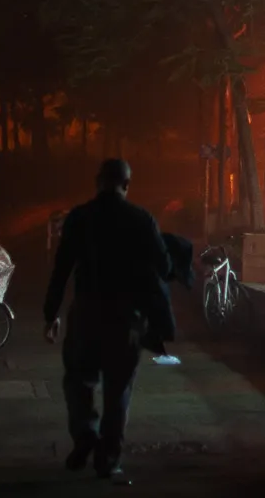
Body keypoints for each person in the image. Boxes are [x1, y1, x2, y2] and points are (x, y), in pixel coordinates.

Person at [44, 158, 172, 479]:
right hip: (126, 317)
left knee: (79, 380)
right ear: (126, 185)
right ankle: (109, 457)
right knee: (118, 389)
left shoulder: (79, 217)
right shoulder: (141, 219)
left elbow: (61, 269)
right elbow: (164, 265)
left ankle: (85, 434)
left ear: (98, 182)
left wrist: (51, 314)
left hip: (86, 312)